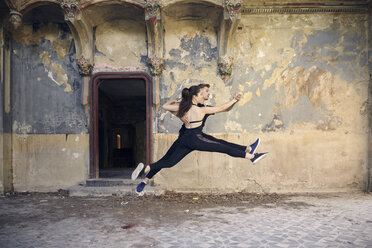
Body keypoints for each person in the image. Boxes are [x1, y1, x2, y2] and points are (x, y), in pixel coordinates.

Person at [132, 85, 267, 195]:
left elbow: (165, 106)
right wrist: (234, 100)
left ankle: (144, 180)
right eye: (204, 92)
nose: (207, 94)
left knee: (168, 161)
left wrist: (180, 109)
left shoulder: (183, 106)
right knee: (222, 147)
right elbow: (221, 108)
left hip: (185, 138)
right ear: (196, 96)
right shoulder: (200, 109)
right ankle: (252, 156)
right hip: (196, 138)